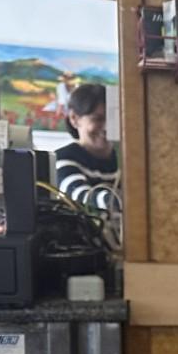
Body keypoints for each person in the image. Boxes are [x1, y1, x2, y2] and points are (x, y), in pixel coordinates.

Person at [54, 82, 122, 251]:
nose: (106, 127)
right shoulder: (62, 159)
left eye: (111, 119)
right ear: (74, 119)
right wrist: (121, 200)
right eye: (98, 119)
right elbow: (80, 197)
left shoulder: (128, 157)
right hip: (85, 253)